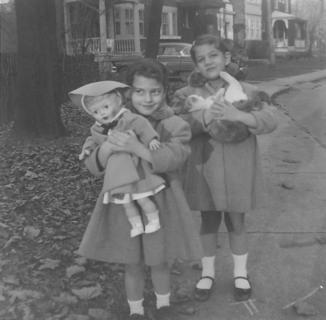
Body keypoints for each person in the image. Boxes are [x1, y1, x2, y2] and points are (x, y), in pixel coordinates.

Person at [76, 59, 203, 319]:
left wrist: (138, 149)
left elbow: (176, 157)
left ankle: (164, 306)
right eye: (140, 91)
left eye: (155, 91)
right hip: (123, 201)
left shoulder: (174, 124)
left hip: (162, 200)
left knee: (159, 259)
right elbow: (92, 164)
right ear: (127, 94)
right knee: (131, 260)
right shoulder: (108, 124)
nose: (147, 98)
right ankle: (135, 311)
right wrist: (108, 148)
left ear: (165, 91)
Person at [172, 34, 277, 302]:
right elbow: (175, 127)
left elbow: (269, 120)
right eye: (201, 59)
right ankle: (207, 274)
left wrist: (237, 115)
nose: (208, 62)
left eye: (213, 55)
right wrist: (204, 116)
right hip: (204, 170)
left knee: (236, 220)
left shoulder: (248, 91)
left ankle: (240, 274)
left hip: (237, 170)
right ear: (195, 65)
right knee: (208, 220)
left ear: (226, 58)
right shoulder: (187, 95)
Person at [69, 81, 165, 238]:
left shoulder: (128, 118)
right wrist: (86, 149)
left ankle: (154, 220)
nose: (102, 113)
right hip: (116, 173)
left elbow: (143, 127)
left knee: (142, 198)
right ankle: (136, 225)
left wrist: (151, 139)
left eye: (105, 107)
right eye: (96, 111)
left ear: (118, 101)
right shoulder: (97, 128)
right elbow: (92, 139)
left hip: (134, 167)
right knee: (126, 203)